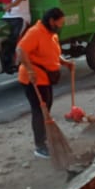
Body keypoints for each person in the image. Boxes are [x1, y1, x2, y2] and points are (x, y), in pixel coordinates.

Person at [16, 8, 73, 159]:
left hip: (45, 78)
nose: (60, 27)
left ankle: (45, 138)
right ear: (51, 21)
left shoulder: (51, 34)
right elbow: (21, 50)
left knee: (46, 107)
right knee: (39, 110)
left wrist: (64, 62)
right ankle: (40, 146)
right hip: (34, 79)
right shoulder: (35, 32)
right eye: (58, 24)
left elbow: (52, 53)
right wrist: (30, 70)